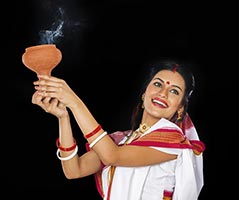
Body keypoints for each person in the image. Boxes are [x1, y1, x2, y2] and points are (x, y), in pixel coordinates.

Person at [31, 60, 206, 200]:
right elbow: (74, 170)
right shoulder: (122, 140)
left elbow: (111, 156)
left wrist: (74, 102)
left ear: (181, 108)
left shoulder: (174, 141)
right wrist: (64, 117)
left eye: (174, 91)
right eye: (158, 84)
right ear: (144, 92)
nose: (163, 93)